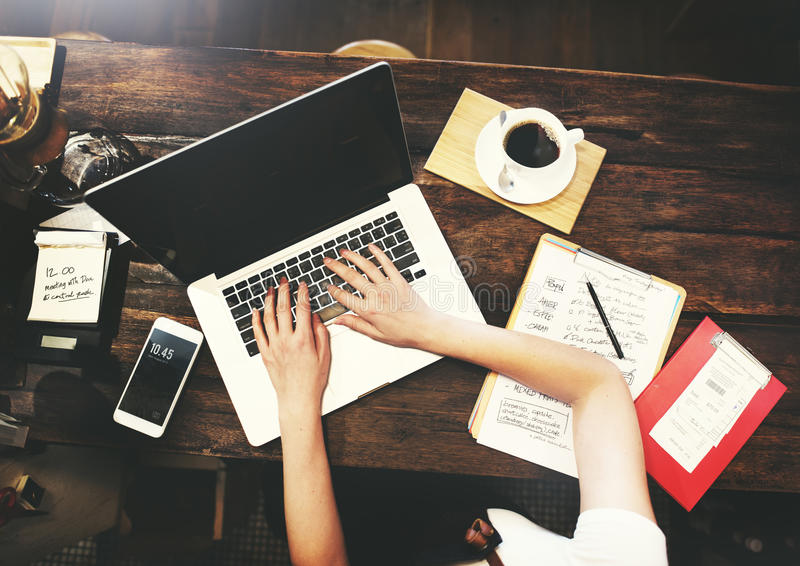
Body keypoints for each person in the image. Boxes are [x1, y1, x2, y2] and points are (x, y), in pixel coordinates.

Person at [250, 243, 668, 566]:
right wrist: (428, 329)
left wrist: (297, 401)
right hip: (467, 512)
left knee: (271, 497)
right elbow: (599, 385)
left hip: (388, 536)